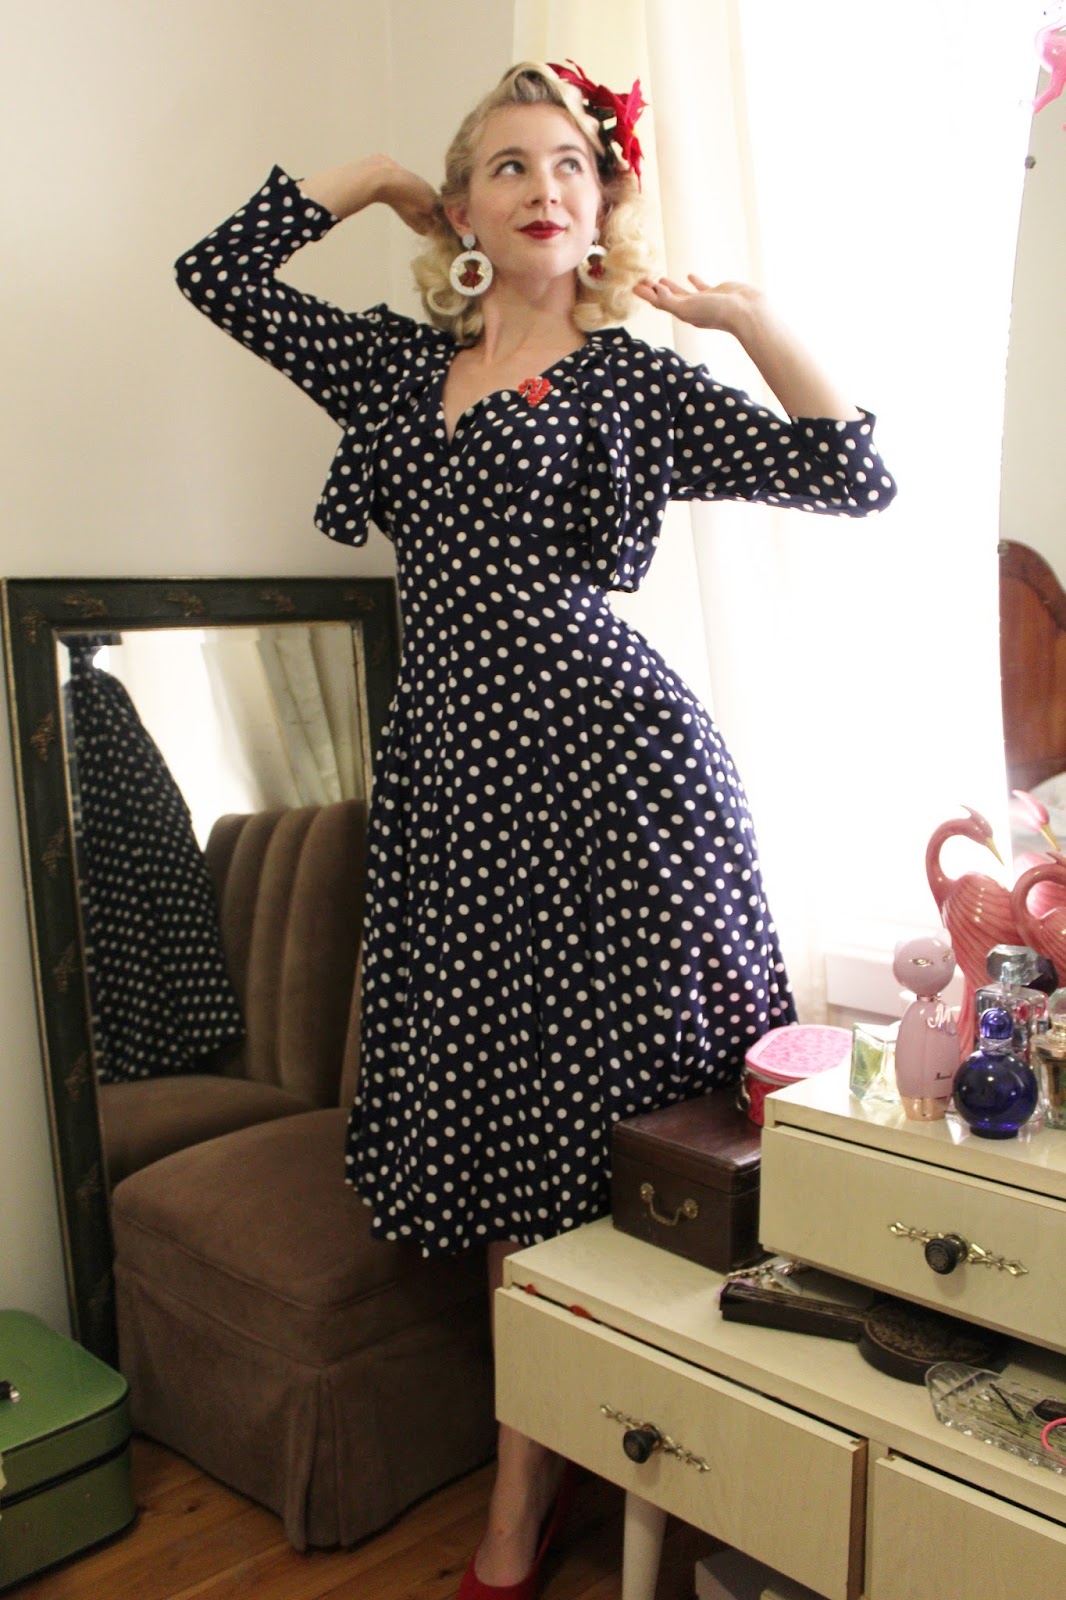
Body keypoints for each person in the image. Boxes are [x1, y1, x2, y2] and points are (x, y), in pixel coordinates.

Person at [176, 59, 895, 1600]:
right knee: (512, 1145)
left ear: (598, 206)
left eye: (571, 163)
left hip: (620, 786)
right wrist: (377, 177)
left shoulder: (630, 382)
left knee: (629, 1135)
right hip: (458, 805)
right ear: (466, 208)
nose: (545, 185)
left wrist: (745, 318)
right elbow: (217, 272)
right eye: (506, 164)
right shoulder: (395, 370)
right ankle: (547, 1468)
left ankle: (557, 1491)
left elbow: (850, 472)